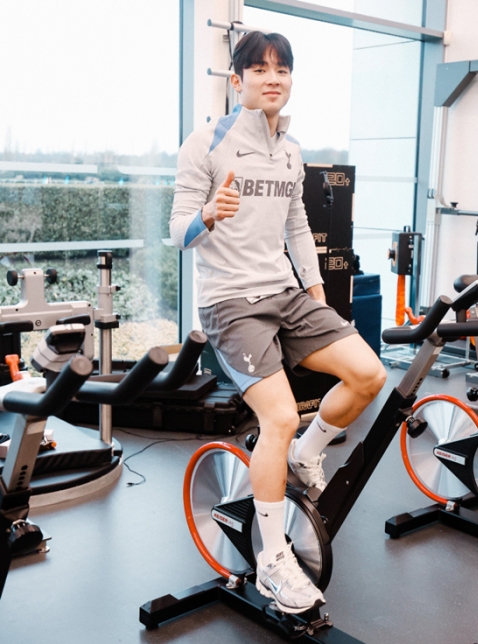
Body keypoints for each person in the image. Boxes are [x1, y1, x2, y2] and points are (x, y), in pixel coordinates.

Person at [170, 30, 386, 615]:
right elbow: (178, 232)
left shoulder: (290, 150)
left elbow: (296, 228)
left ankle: (306, 455)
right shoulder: (205, 144)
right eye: (260, 69)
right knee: (281, 416)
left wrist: (318, 296)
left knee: (369, 374)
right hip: (229, 301)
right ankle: (271, 561)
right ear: (236, 80)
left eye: (282, 69)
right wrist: (208, 213)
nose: (272, 78)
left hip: (285, 293)